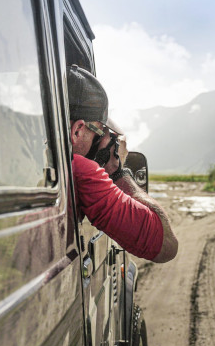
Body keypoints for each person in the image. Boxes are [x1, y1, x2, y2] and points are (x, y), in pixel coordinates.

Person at [66, 65, 178, 263]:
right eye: (99, 133)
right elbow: (166, 246)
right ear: (77, 131)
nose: (100, 142)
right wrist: (115, 170)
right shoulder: (80, 169)